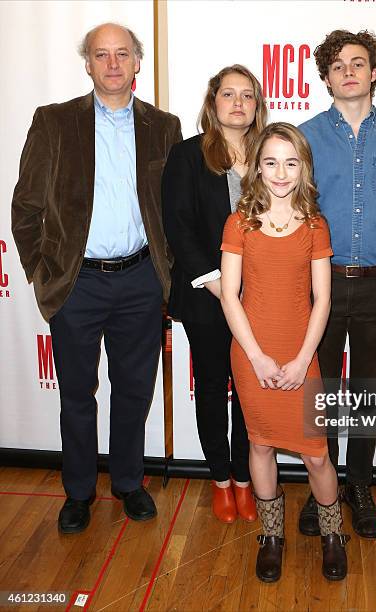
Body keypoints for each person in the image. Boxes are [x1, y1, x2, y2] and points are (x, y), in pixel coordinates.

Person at [11, 23, 182, 534]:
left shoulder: (164, 127)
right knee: (76, 396)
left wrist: (167, 275)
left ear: (137, 63)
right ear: (87, 64)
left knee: (134, 392)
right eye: (101, 55)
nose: (112, 64)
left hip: (140, 281)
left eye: (122, 54)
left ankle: (129, 482)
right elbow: (26, 207)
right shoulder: (54, 121)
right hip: (76, 284)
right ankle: (79, 492)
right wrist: (42, 272)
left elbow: (174, 208)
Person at [299, 30, 376, 538]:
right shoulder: (303, 137)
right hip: (320, 286)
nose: (348, 71)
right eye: (337, 65)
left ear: (374, 72)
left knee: (370, 395)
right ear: (326, 77)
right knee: (321, 394)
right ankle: (320, 486)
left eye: (358, 62)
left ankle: (358, 486)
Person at [220, 123, 349, 582]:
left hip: (301, 353)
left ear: (304, 168)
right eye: (271, 161)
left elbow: (323, 300)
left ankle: (333, 535)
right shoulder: (239, 222)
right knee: (259, 444)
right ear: (257, 167)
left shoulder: (316, 224)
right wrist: (256, 357)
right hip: (252, 354)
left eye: (290, 162)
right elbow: (230, 296)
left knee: (316, 454)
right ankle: (271, 536)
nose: (280, 172)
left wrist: (300, 360)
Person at [162, 65, 267, 524]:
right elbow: (178, 225)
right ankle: (221, 482)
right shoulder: (187, 155)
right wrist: (218, 283)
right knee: (211, 388)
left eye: (247, 95)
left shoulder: (273, 152)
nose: (238, 103)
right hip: (208, 297)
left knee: (251, 394)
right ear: (213, 103)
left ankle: (246, 481)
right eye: (229, 94)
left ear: (257, 105)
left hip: (263, 300)